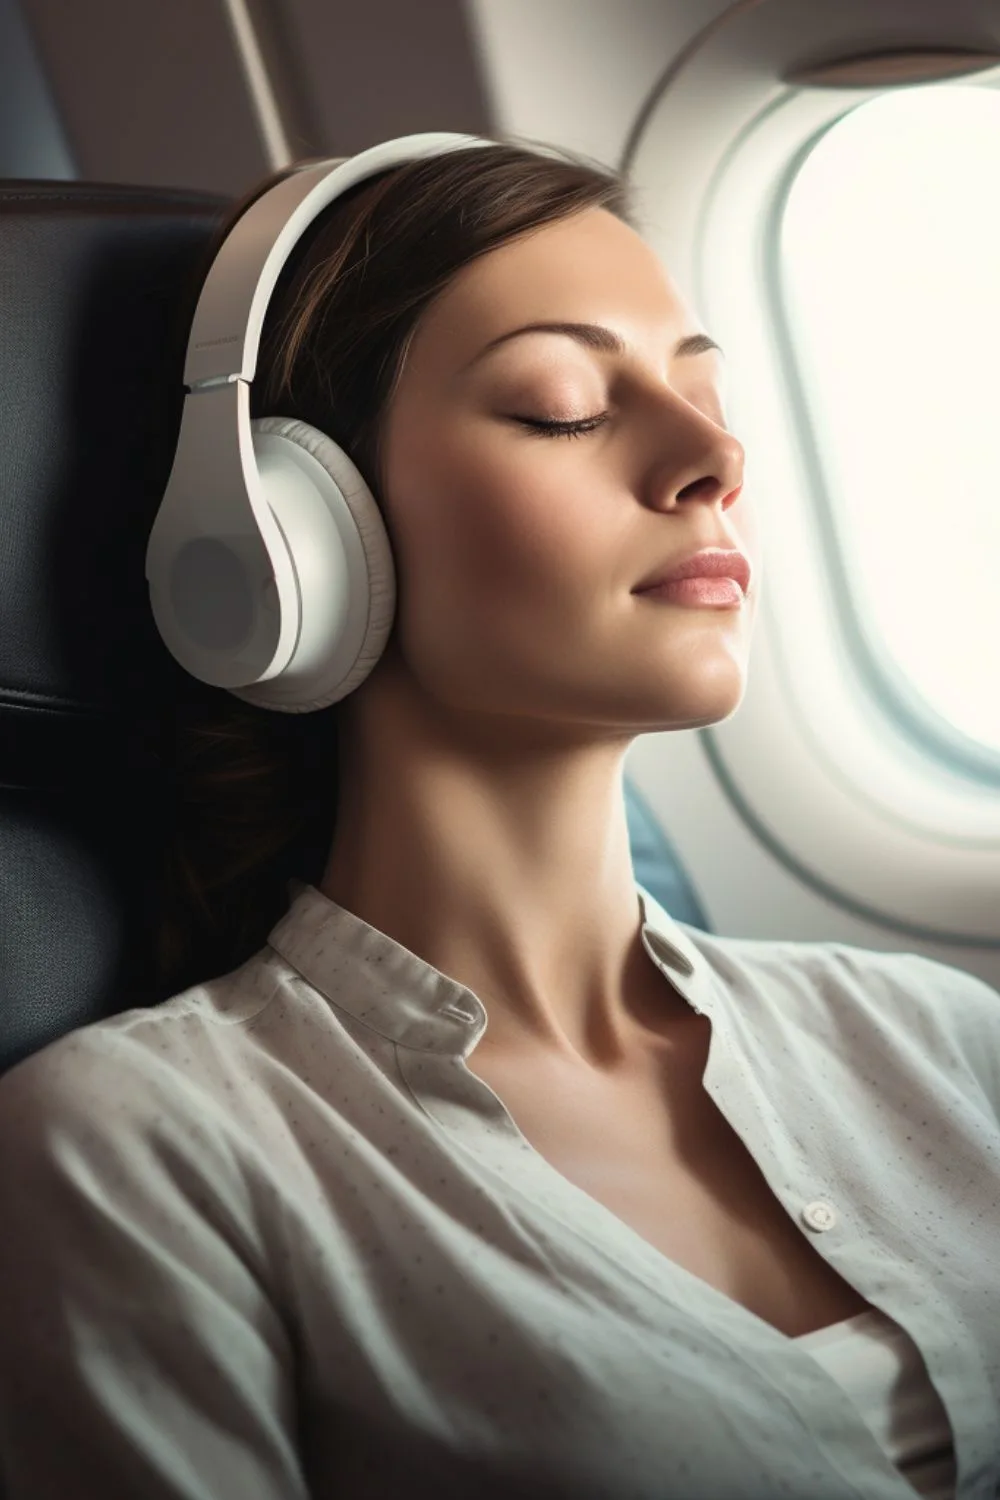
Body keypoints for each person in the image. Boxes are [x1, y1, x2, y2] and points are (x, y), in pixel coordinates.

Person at [0, 135, 996, 1500]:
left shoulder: (944, 1043)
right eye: (565, 405)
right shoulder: (148, 1148)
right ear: (295, 530)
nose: (715, 456)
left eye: (706, 393)